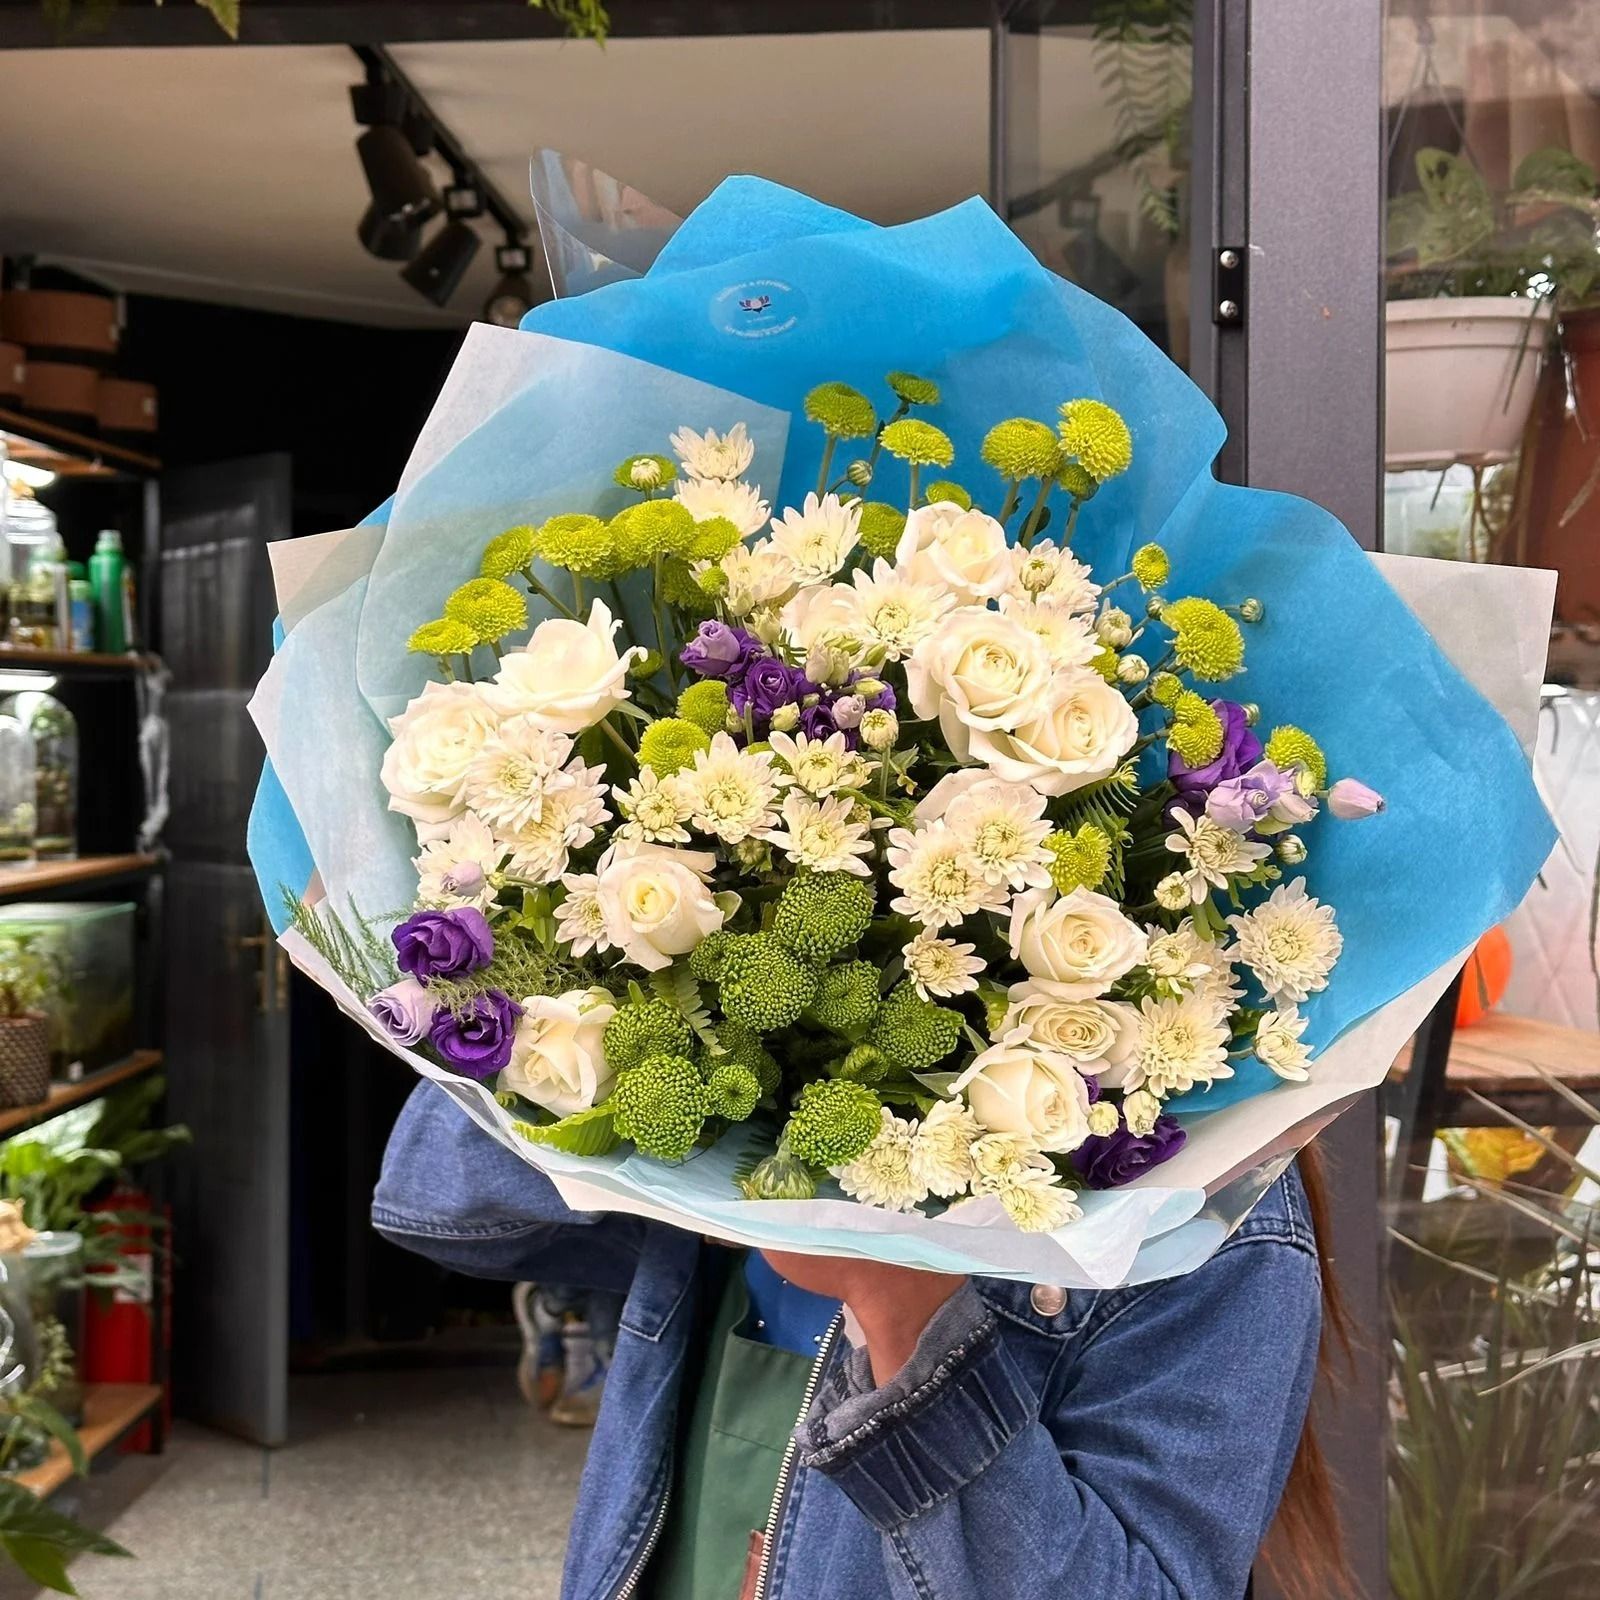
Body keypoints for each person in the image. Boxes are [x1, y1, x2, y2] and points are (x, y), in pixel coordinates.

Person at [374, 1080, 1347, 1600]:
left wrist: (910, 1316)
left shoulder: (1201, 1203)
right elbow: (428, 1199)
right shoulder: (744, 1084)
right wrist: (597, 1041)